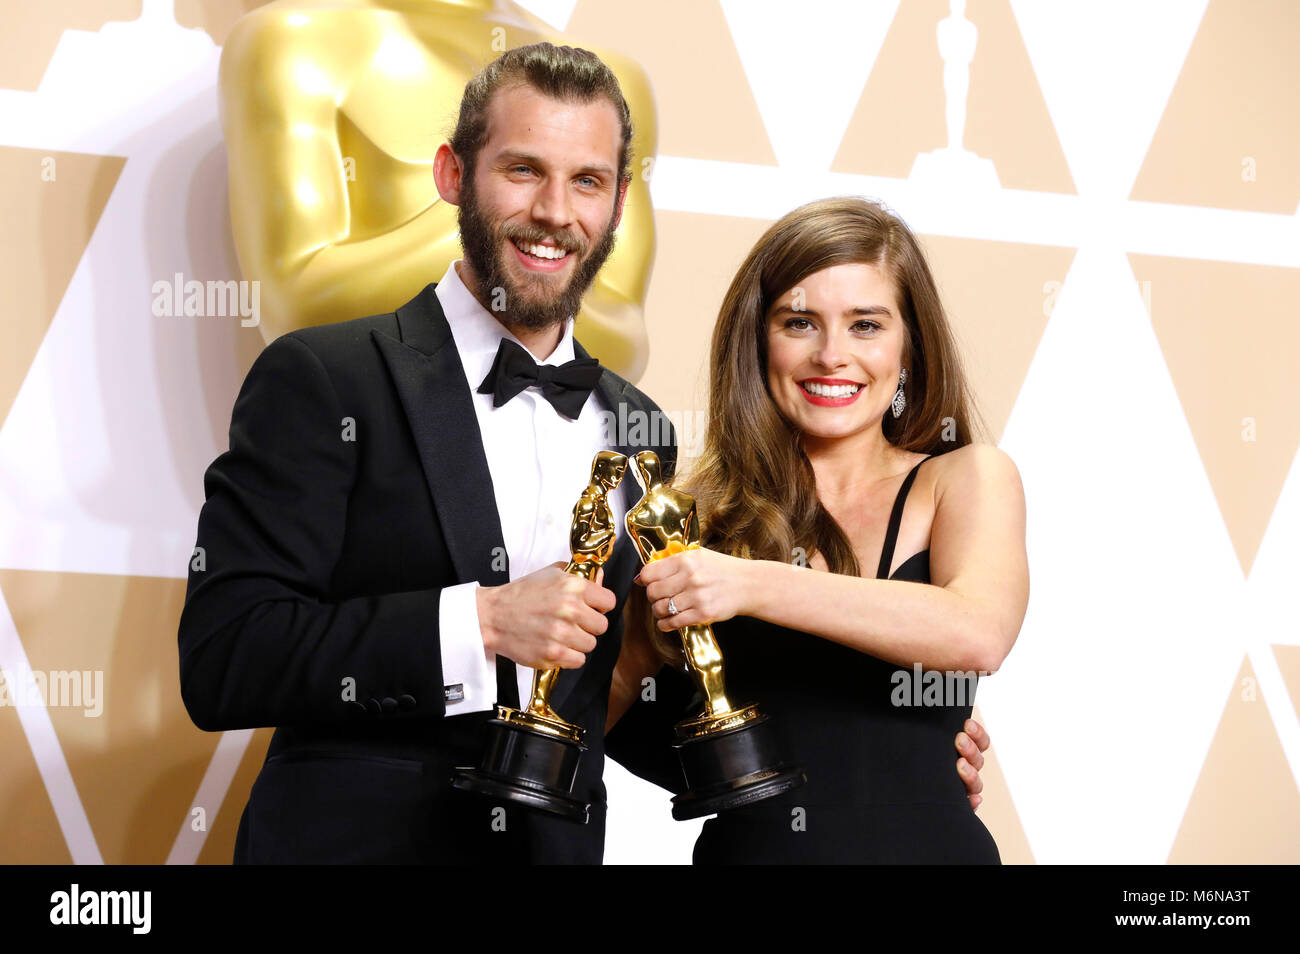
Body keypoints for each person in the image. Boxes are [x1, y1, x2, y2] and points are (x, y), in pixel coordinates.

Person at [180, 42, 989, 864]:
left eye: (588, 181)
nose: (555, 211)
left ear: (618, 204)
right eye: (523, 170)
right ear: (453, 176)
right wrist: (482, 622)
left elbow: (623, 699)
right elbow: (225, 657)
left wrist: (894, 744)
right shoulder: (326, 377)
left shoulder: (640, 429)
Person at [609, 197, 1027, 863]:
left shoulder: (967, 478)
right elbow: (600, 728)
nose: (833, 356)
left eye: (866, 325)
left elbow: (976, 633)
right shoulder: (689, 516)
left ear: (909, 347)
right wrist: (639, 636)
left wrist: (743, 585)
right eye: (800, 322)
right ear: (757, 341)